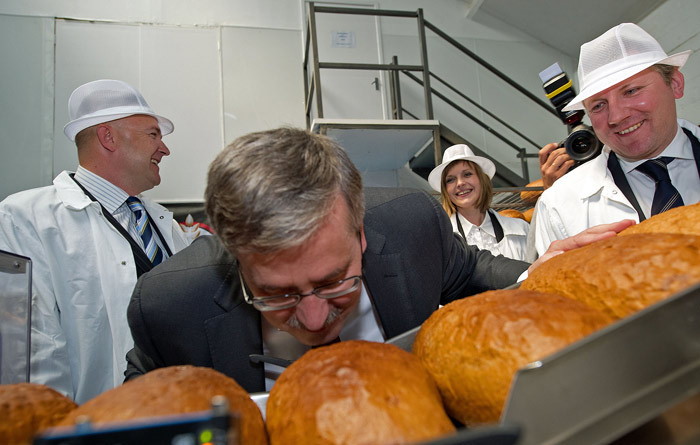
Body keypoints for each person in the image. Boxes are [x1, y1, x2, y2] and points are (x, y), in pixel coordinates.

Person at [124, 127, 632, 393]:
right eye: (277, 295)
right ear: (235, 260)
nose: (316, 319)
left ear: (363, 234)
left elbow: (469, 270)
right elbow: (147, 414)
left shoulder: (411, 224)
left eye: (334, 282)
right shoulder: (168, 306)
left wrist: (536, 273)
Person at [0, 79, 198, 403]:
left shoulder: (165, 226)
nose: (165, 149)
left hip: (180, 413)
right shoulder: (24, 221)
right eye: (153, 134)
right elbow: (33, 352)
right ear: (108, 137)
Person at [534, 23, 700, 256]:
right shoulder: (558, 205)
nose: (617, 116)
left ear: (675, 84)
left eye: (631, 91)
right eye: (599, 105)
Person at [427, 144, 529, 261]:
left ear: (482, 179)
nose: (460, 183)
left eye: (467, 174)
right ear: (446, 190)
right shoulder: (439, 239)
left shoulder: (521, 230)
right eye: (450, 179)